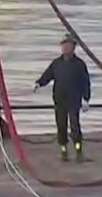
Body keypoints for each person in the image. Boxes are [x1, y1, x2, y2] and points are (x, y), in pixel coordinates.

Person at [34, 33, 92, 162]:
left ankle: (78, 151)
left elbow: (85, 82)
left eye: (69, 45)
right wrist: (39, 83)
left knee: (75, 126)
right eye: (64, 45)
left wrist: (86, 99)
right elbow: (48, 75)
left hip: (74, 100)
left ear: (74, 47)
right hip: (59, 100)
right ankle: (63, 151)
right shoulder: (56, 63)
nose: (66, 48)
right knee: (61, 126)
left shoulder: (79, 64)